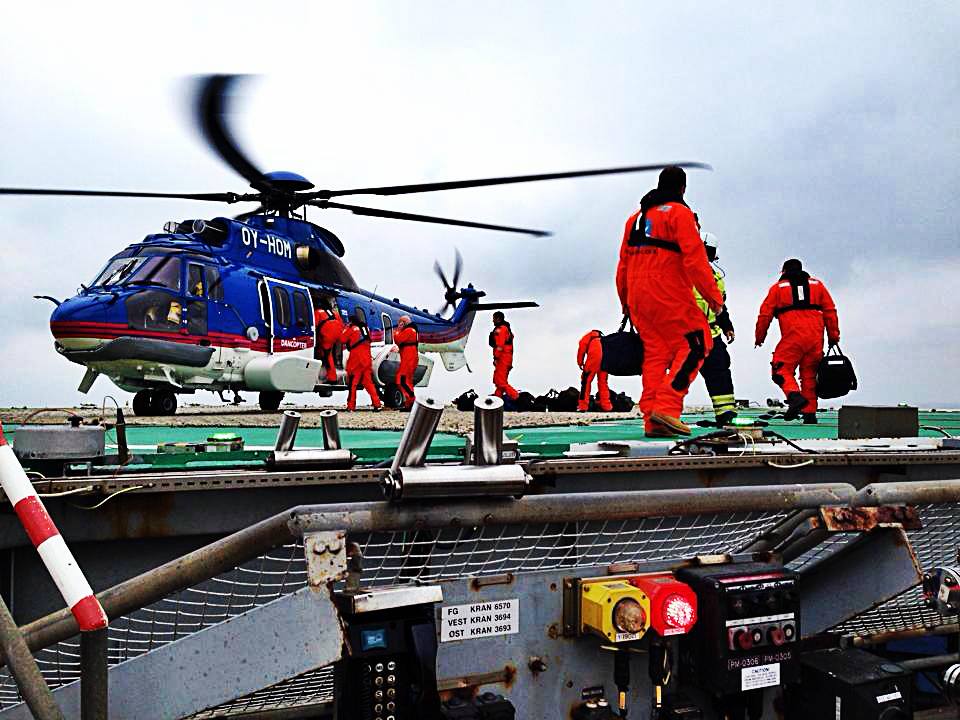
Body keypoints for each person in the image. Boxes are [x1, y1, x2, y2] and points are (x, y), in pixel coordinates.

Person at [615, 166, 723, 438]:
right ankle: (667, 406)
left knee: (656, 354)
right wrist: (714, 299)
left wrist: (625, 303)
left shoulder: (634, 219)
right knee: (699, 342)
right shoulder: (680, 213)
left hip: (638, 298)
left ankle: (652, 420)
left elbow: (622, 265)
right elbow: (696, 259)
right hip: (667, 291)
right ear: (683, 189)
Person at [755, 258, 840, 422]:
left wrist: (760, 337)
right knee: (809, 375)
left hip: (793, 338)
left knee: (781, 369)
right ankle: (809, 414)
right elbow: (830, 312)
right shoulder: (818, 285)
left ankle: (794, 397)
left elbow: (765, 315)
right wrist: (833, 336)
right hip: (816, 339)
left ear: (784, 272)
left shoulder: (777, 289)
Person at [693, 229, 738, 425]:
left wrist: (726, 325)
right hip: (685, 333)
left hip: (711, 333)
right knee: (677, 375)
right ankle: (665, 413)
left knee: (720, 370)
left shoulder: (716, 278)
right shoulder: (679, 272)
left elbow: (719, 306)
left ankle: (726, 413)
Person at [340, 310, 382, 411]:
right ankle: (377, 404)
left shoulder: (352, 328)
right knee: (368, 383)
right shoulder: (365, 328)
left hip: (356, 360)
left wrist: (346, 327)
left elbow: (342, 339)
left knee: (353, 384)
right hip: (367, 359)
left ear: (351, 321)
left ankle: (351, 406)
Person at [577, 329, 612, 412]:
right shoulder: (602, 339)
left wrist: (580, 362)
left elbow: (581, 349)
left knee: (586, 380)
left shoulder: (586, 337)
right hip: (606, 357)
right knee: (603, 382)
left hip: (594, 356)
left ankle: (583, 406)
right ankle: (607, 406)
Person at [489, 311, 520, 401]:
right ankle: (497, 400)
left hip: (503, 359)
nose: (493, 321)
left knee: (500, 382)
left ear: (498, 319)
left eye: (494, 318)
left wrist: (496, 358)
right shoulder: (506, 329)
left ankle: (516, 397)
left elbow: (500, 346)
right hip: (507, 359)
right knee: (499, 381)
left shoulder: (501, 329)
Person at [392, 315, 419, 410]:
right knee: (407, 381)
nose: (400, 324)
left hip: (409, 359)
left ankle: (411, 400)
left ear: (404, 323)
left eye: (401, 323)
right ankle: (409, 403)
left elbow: (398, 339)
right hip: (410, 358)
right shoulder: (412, 331)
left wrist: (397, 330)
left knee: (401, 379)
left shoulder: (408, 331)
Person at [314, 303, 344, 383]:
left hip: (328, 335)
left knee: (327, 356)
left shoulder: (317, 312)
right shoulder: (335, 313)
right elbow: (342, 325)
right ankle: (332, 368)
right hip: (337, 334)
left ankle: (332, 378)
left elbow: (314, 326)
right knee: (327, 352)